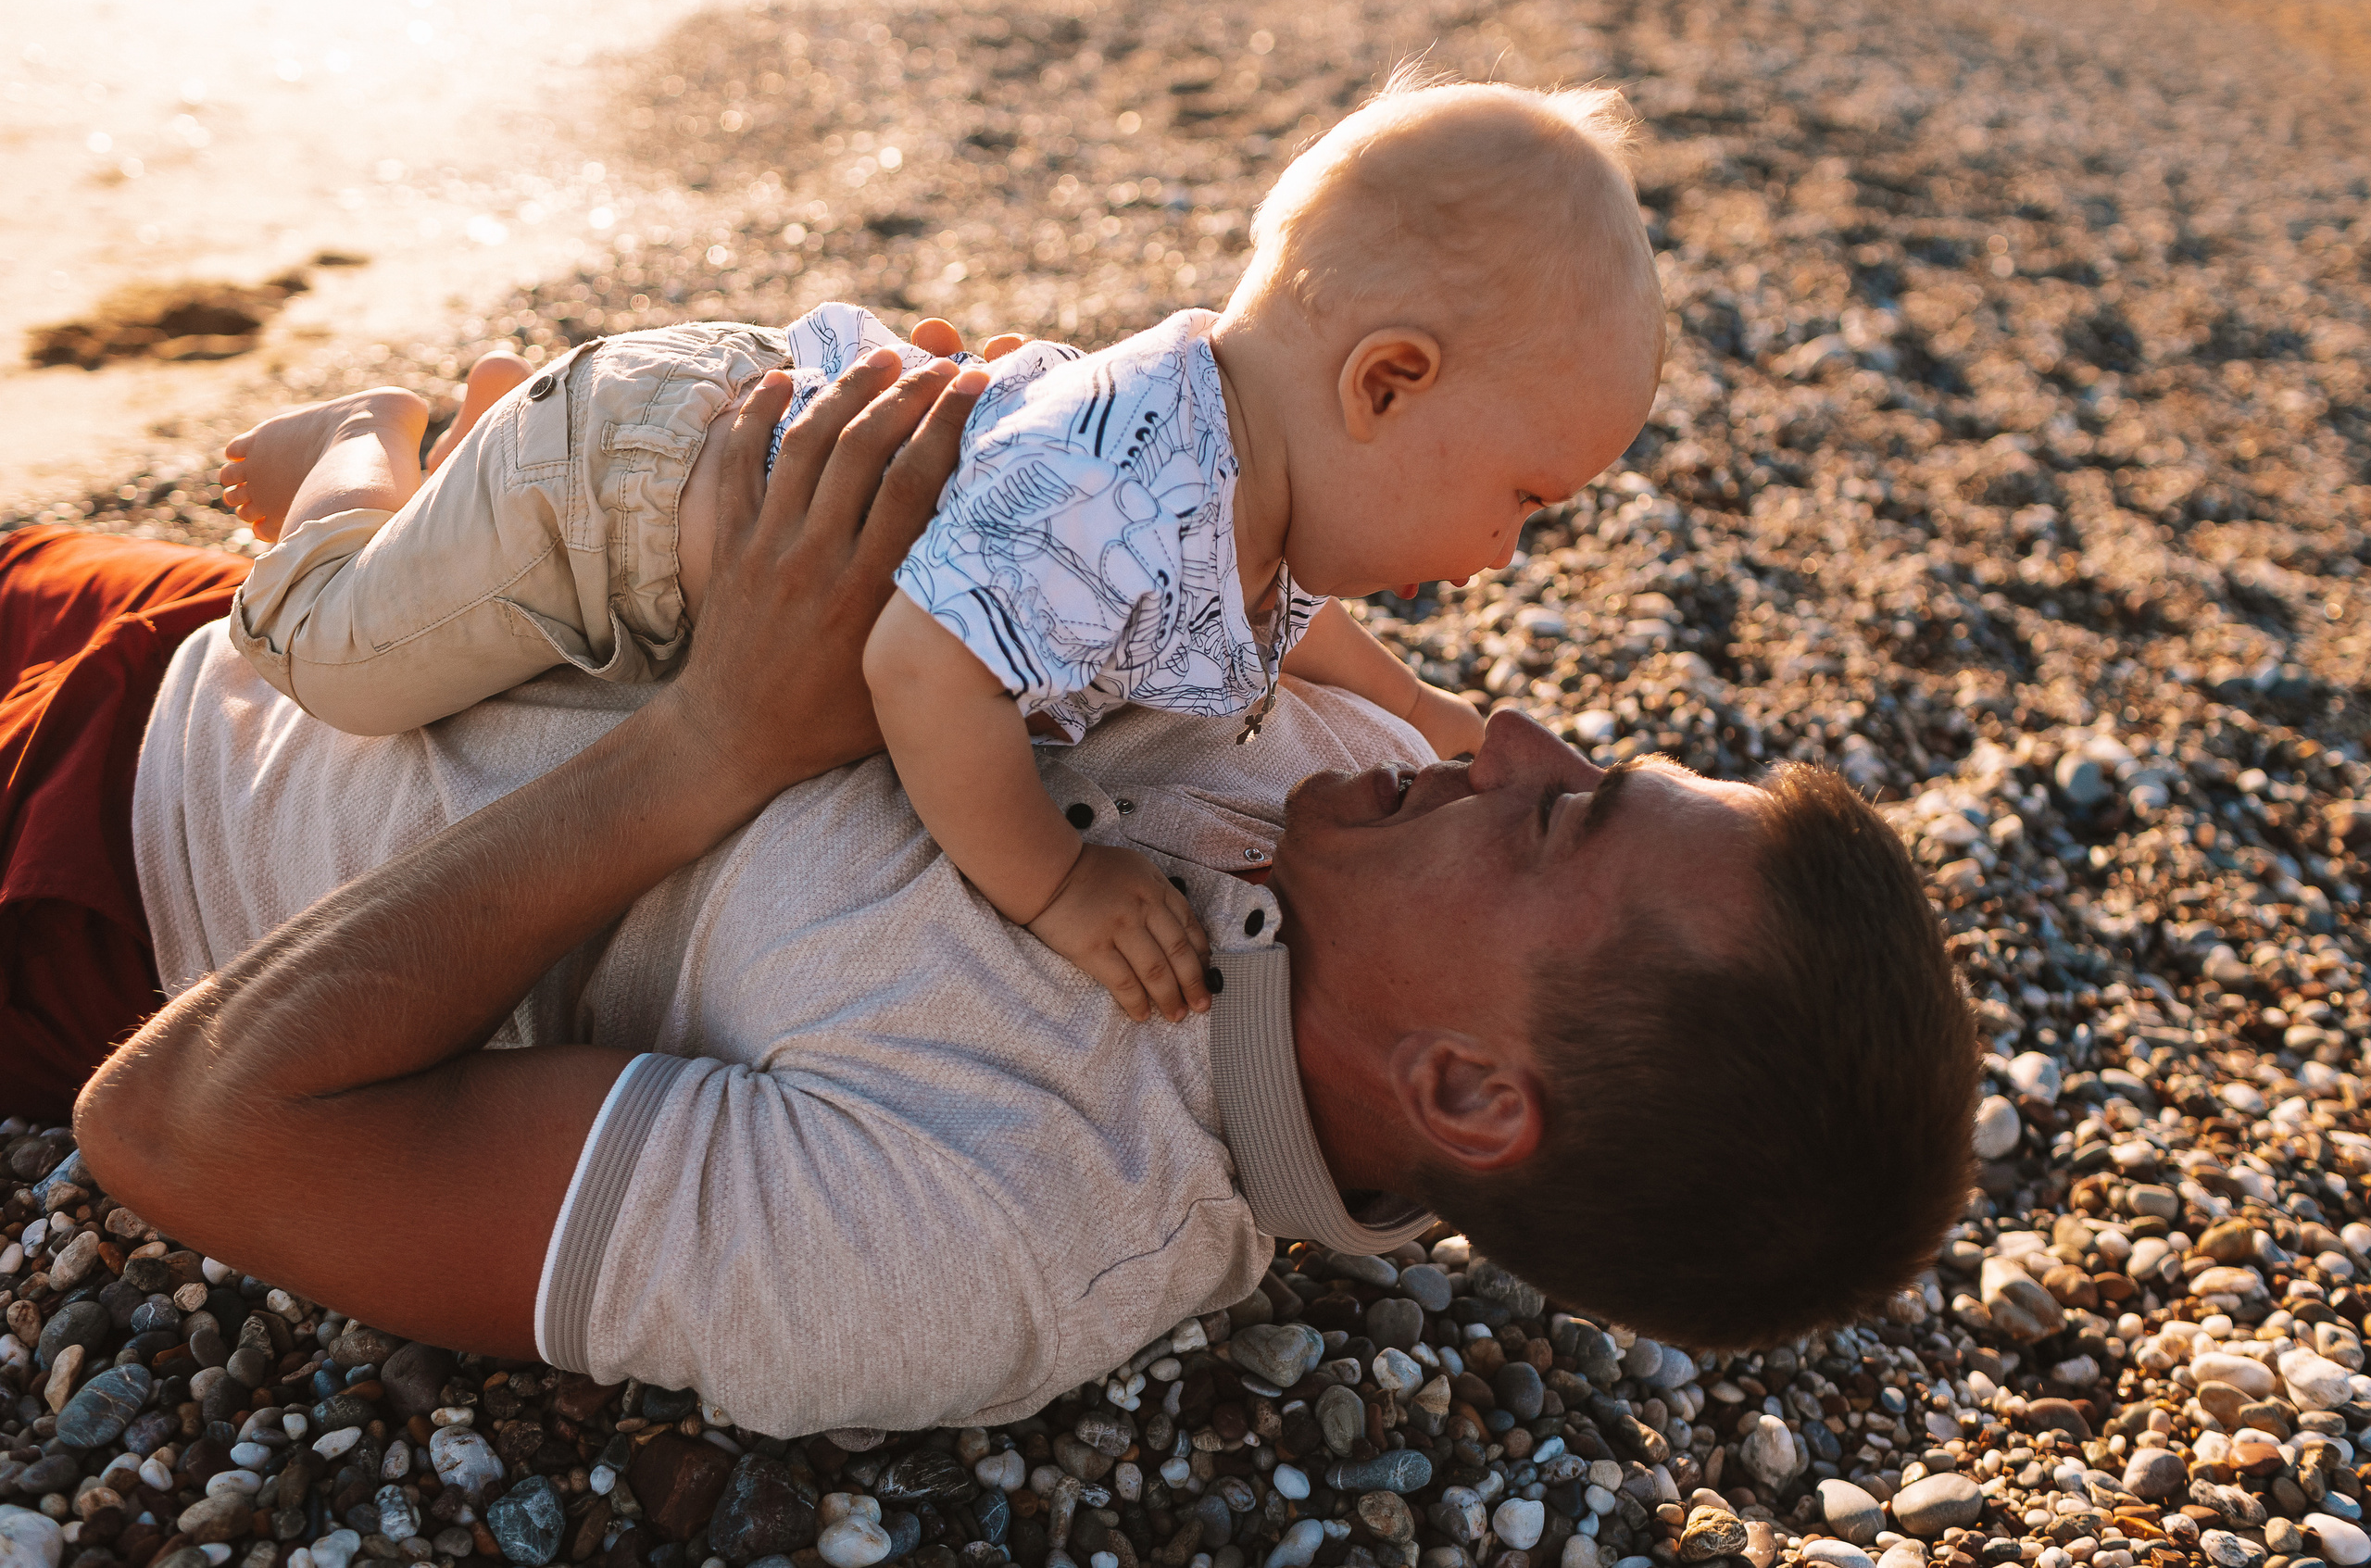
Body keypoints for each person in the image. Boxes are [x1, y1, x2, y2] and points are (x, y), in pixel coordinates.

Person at [66, 338, 1979, 1436]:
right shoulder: (1349, 792)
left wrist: (717, 741)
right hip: (224, 612)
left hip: (101, 866)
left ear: (1472, 1093)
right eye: (1585, 760)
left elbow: (190, 1127)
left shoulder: (990, 1226)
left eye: (1560, 819)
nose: (1510, 742)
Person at [220, 75, 1665, 1022]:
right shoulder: (1126, 480)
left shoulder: (1253, 493)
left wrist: (1421, 710)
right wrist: (1055, 881)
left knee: (461, 593)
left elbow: (1289, 627)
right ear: (1387, 383)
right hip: (620, 491)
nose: (1508, 554)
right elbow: (924, 669)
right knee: (338, 662)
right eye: (1526, 499)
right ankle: (360, 449)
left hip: (702, 470)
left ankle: (486, 435)